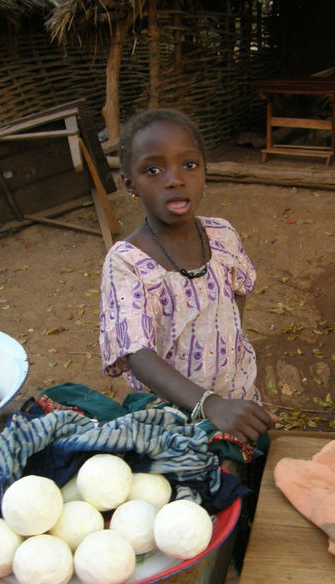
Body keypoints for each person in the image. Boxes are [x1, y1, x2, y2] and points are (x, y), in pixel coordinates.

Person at [99, 108, 277, 446]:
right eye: (153, 170)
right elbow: (137, 354)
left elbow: (238, 289)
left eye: (189, 165)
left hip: (236, 400)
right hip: (169, 418)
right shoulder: (127, 263)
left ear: (205, 172)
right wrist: (208, 404)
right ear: (129, 184)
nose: (175, 179)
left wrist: (226, 350)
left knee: (246, 478)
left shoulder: (222, 236)